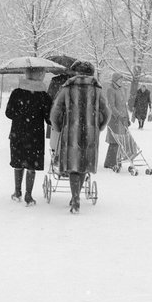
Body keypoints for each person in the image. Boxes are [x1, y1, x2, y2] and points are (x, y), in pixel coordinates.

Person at [50, 61, 111, 214]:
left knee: (73, 167)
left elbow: (55, 111)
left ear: (75, 73)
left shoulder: (67, 87)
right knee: (84, 165)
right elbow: (107, 112)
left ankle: (75, 198)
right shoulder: (97, 89)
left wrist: (58, 127)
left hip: (71, 132)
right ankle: (76, 197)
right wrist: (99, 126)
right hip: (90, 133)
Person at [5, 66, 52, 206]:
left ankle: (17, 191)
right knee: (32, 164)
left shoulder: (17, 92)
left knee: (18, 162)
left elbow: (9, 113)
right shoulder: (44, 95)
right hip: (35, 134)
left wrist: (20, 116)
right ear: (40, 75)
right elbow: (49, 119)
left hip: (18, 132)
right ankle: (28, 195)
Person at [104, 72, 130, 169]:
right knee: (114, 140)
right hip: (114, 119)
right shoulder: (111, 90)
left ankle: (116, 160)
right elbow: (111, 105)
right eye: (120, 80)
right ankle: (110, 162)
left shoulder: (121, 90)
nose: (121, 81)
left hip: (122, 119)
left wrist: (127, 117)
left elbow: (124, 105)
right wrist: (118, 116)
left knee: (120, 140)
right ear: (115, 80)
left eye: (122, 80)